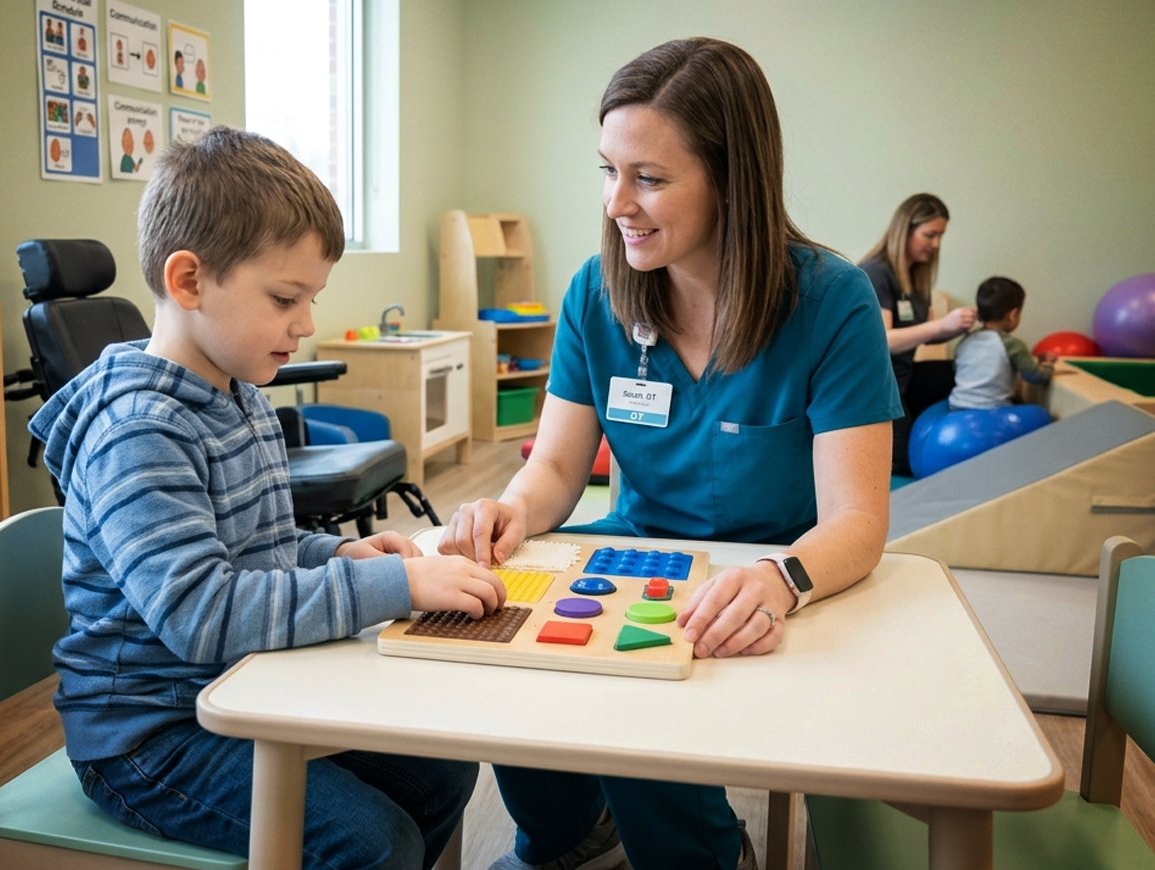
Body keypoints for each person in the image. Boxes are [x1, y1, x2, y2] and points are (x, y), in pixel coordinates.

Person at [438, 38, 900, 870]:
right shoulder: (596, 291)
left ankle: (705, 859)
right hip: (641, 546)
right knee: (514, 646)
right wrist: (511, 508)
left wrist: (775, 580)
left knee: (638, 686)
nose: (619, 202)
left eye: (649, 178)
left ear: (733, 179)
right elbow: (555, 467)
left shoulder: (832, 302)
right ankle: (569, 841)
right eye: (608, 169)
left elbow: (860, 520)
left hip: (783, 573)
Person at [29, 126, 506, 868]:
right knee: (372, 843)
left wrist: (339, 550)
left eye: (311, 298)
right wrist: (391, 583)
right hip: (150, 735)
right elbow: (204, 612)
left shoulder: (238, 389)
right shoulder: (139, 433)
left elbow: (256, 548)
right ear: (188, 282)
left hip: (237, 690)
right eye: (286, 297)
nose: (306, 323)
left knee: (441, 773)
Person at [859, 192, 977, 475]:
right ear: (906, 229)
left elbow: (927, 335)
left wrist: (957, 325)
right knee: (902, 464)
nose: (935, 245)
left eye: (940, 236)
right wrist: (941, 325)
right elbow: (882, 341)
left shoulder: (915, 276)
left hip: (905, 376)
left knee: (959, 371)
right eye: (929, 235)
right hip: (877, 389)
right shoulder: (876, 273)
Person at [948, 276, 1055, 409]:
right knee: (1040, 413)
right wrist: (1048, 365)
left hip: (957, 406)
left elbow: (957, 369)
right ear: (1013, 315)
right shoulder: (1013, 345)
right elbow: (1034, 376)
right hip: (993, 410)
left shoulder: (965, 340)